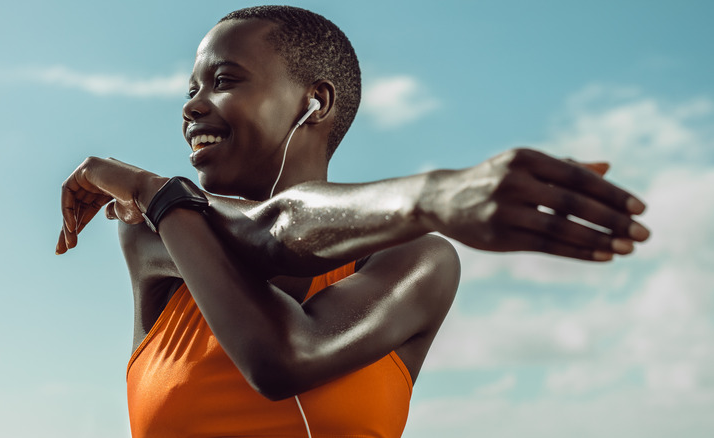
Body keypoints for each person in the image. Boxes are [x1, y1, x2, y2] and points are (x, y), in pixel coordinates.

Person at [55, 5, 650, 437]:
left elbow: (287, 348)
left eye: (224, 80)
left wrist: (434, 200)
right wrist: (439, 194)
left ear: (316, 102)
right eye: (191, 87)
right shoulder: (154, 228)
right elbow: (265, 235)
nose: (191, 104)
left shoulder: (415, 262)